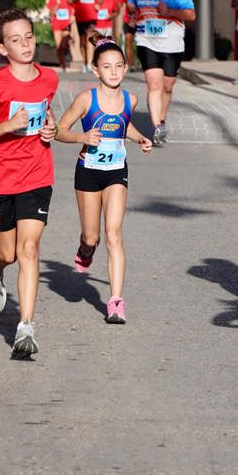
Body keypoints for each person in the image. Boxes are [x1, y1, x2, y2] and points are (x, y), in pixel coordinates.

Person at [0, 8, 60, 359]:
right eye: (16, 40)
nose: (25, 44)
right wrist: (7, 126)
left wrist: (50, 128)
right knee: (7, 253)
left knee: (29, 249)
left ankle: (25, 327)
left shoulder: (49, 80)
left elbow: (47, 120)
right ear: (2, 48)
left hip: (37, 174)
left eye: (29, 36)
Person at [56, 36, 153, 324]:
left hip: (115, 172)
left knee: (113, 235)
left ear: (125, 68)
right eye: (107, 67)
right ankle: (85, 250)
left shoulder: (130, 99)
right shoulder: (86, 99)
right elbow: (60, 130)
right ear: (96, 70)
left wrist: (139, 138)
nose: (113, 72)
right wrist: (81, 137)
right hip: (87, 171)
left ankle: (115, 302)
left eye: (119, 66)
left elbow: (124, 125)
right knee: (92, 236)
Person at [127, 0, 195, 146]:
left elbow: (191, 15)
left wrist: (170, 12)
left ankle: (162, 119)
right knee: (154, 85)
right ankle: (157, 127)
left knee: (167, 86)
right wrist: (133, 17)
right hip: (147, 41)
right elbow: (131, 5)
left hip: (172, 44)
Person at [69, 0, 104, 73]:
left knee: (90, 39)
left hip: (92, 16)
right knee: (82, 41)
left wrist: (98, 3)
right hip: (80, 16)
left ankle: (89, 63)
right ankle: (84, 62)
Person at [47, 0, 74, 71]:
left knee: (64, 44)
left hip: (66, 23)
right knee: (59, 46)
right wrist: (56, 5)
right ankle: (62, 64)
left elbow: (73, 8)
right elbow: (51, 12)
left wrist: (73, 16)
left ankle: (66, 57)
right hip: (57, 23)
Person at [115, 0, 140, 68]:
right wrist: (117, 9)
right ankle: (131, 65)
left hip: (142, 20)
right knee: (129, 40)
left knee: (143, 43)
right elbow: (118, 3)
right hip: (128, 20)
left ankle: (143, 63)